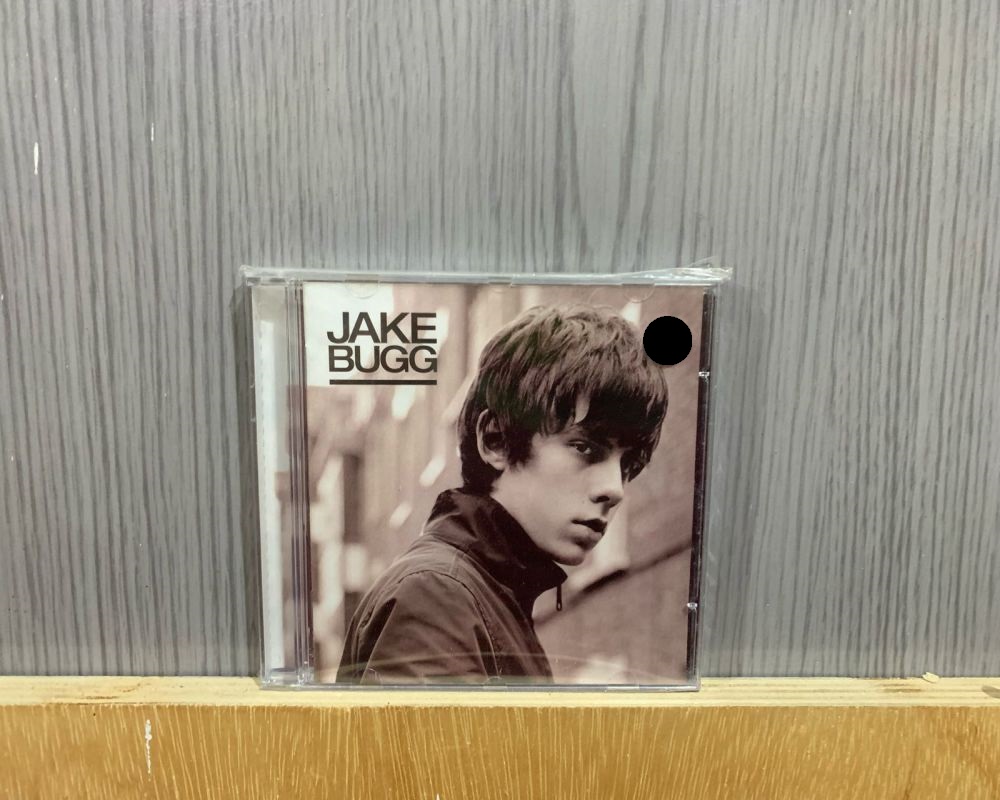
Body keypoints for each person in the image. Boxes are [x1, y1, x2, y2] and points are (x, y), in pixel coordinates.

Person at [336, 304, 668, 684]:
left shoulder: (484, 597)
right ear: (495, 440)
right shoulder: (437, 596)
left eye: (627, 466)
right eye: (585, 448)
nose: (614, 489)